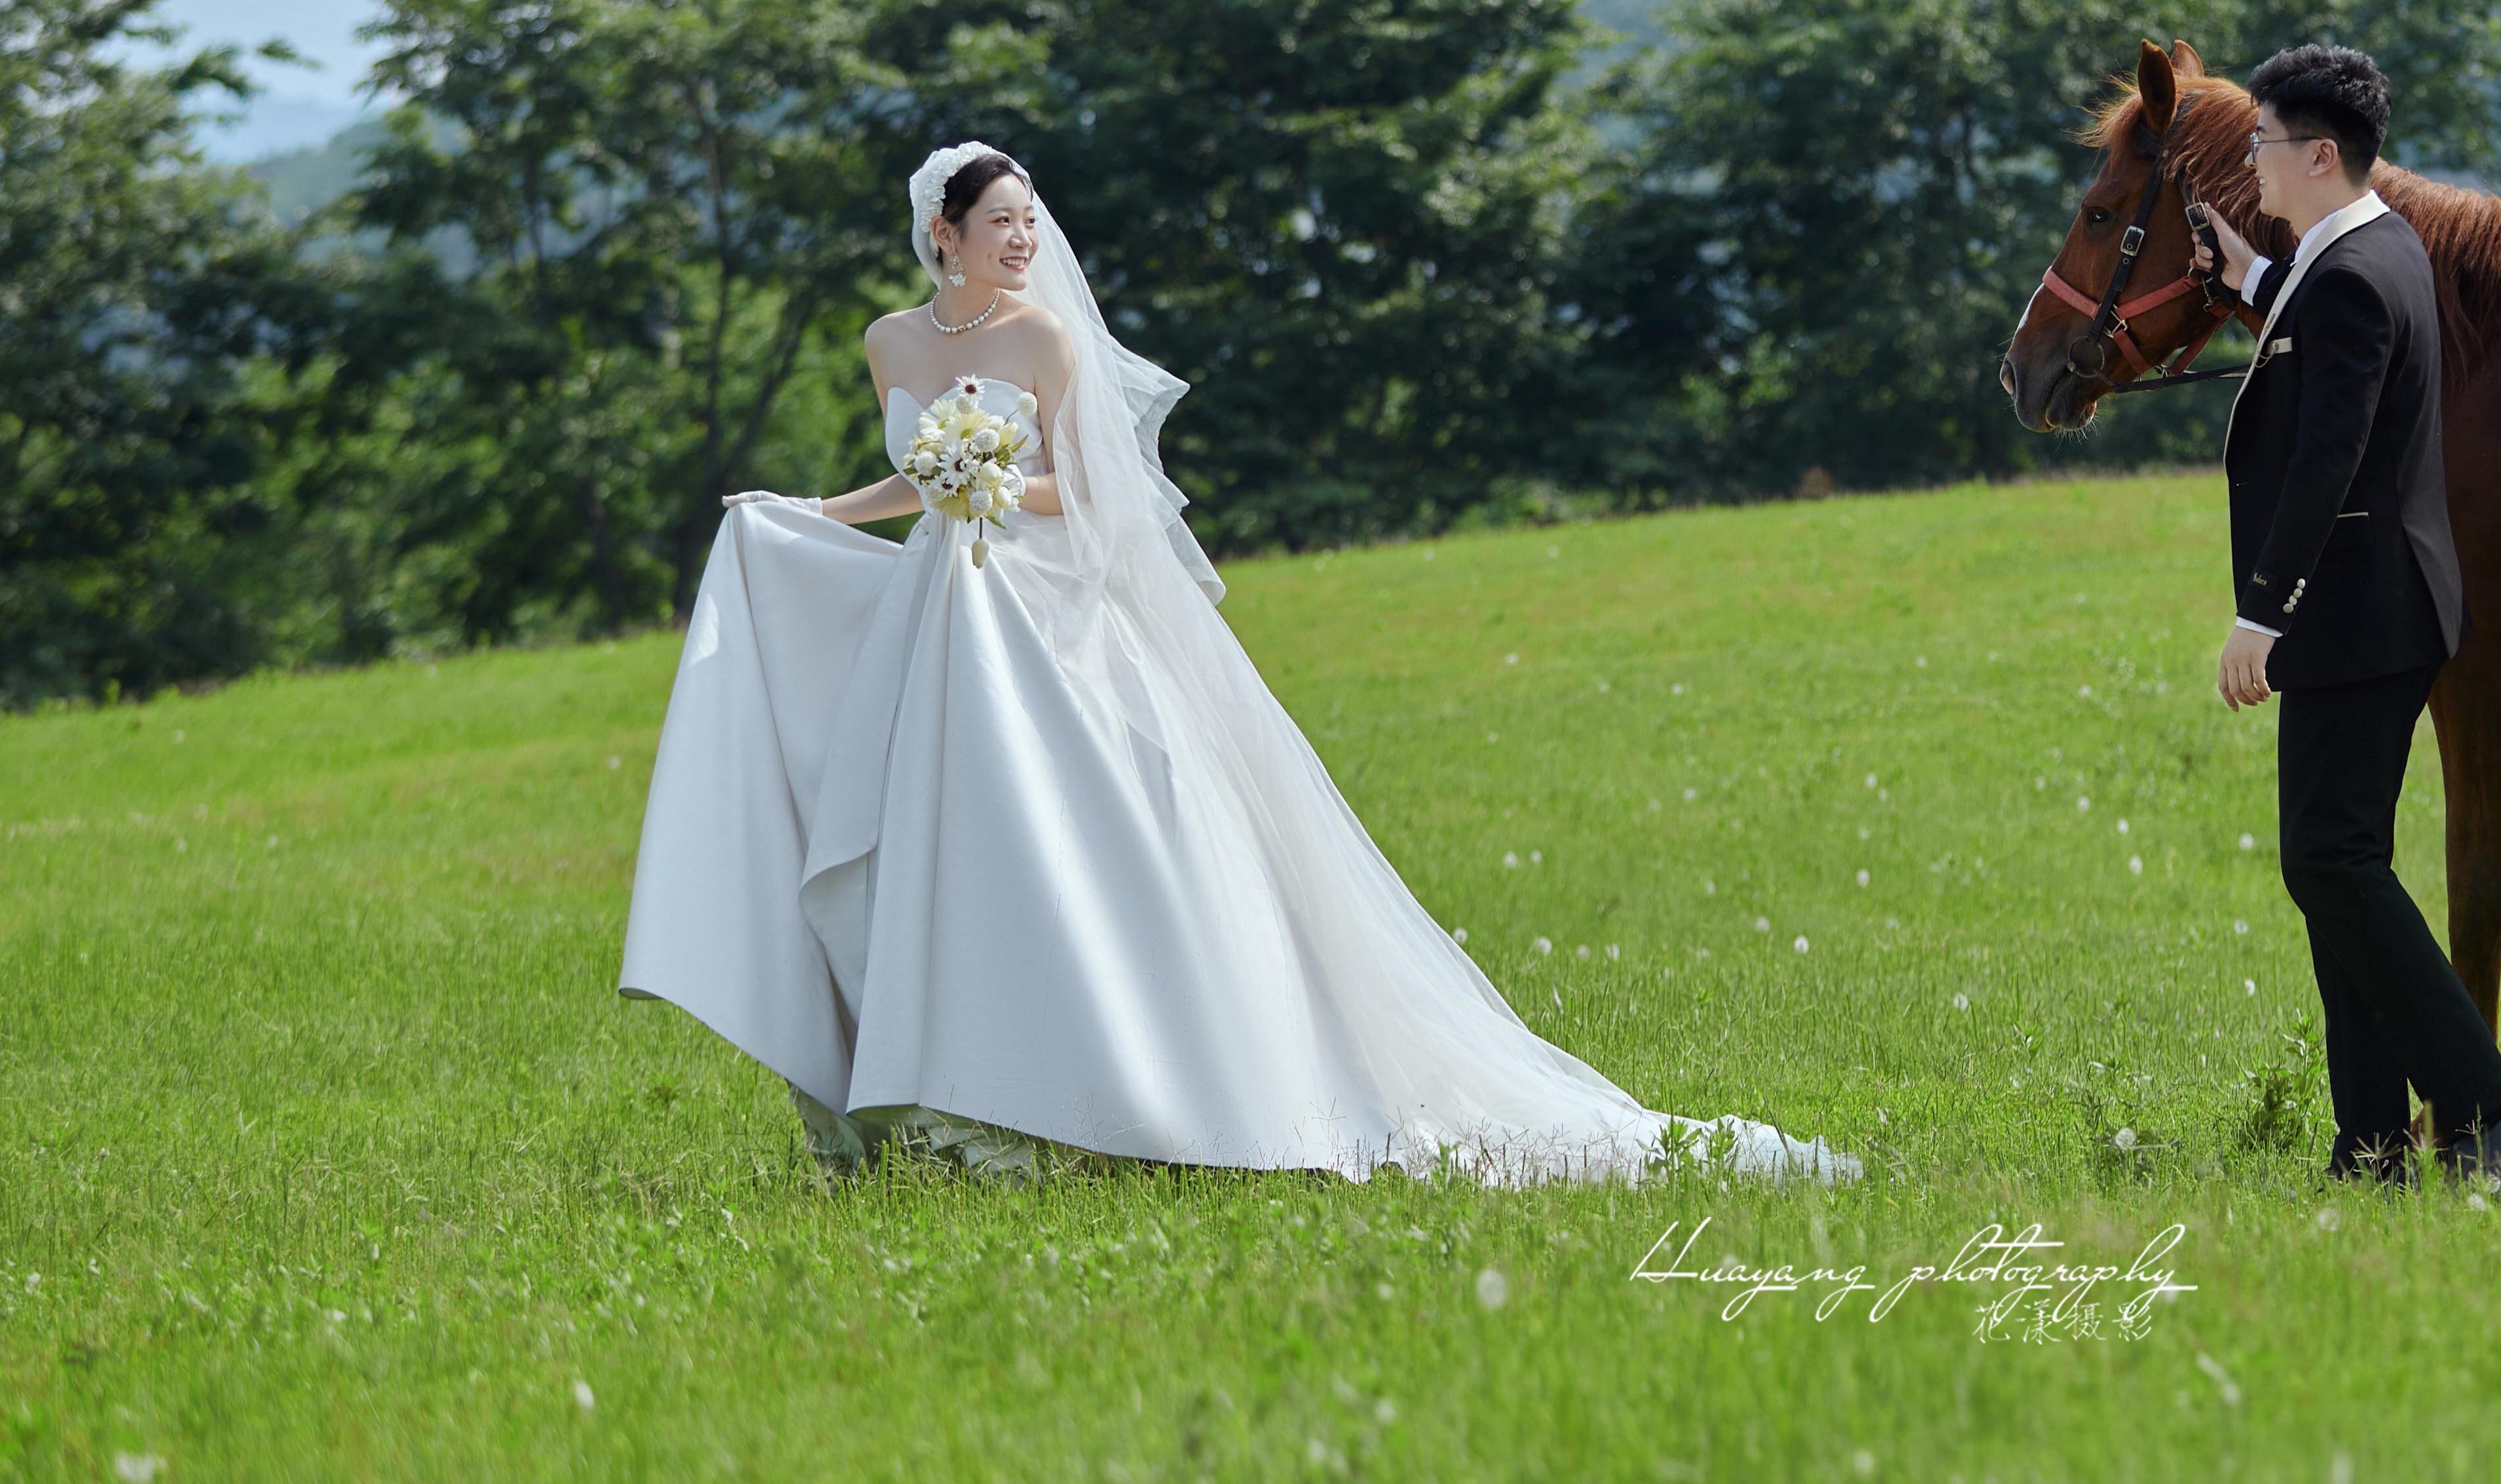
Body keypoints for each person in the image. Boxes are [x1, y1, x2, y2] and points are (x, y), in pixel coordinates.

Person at [618, 139, 1851, 1185]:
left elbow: (1092, 492)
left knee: (1036, 828)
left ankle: (1075, 1092)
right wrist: (814, 512)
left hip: (1032, 610)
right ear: (941, 232)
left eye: (1030, 223)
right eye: (1001, 224)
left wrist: (988, 482)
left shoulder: (1046, 338)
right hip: (937, 610)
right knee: (924, 830)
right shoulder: (893, 343)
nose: (1022, 240)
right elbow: (909, 471)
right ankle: (937, 1083)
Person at [2195, 47, 2501, 1187]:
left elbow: (2328, 459)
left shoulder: (2349, 275)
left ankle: (2494, 1114)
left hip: (2356, 611)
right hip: (2380, 609)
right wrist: (2250, 276)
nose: (2251, 161)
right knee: (2331, 863)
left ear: (2318, 155)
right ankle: (2370, 1147)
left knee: (2333, 861)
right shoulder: (2372, 247)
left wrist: (2264, 614)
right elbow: (2323, 335)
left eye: (2260, 144)